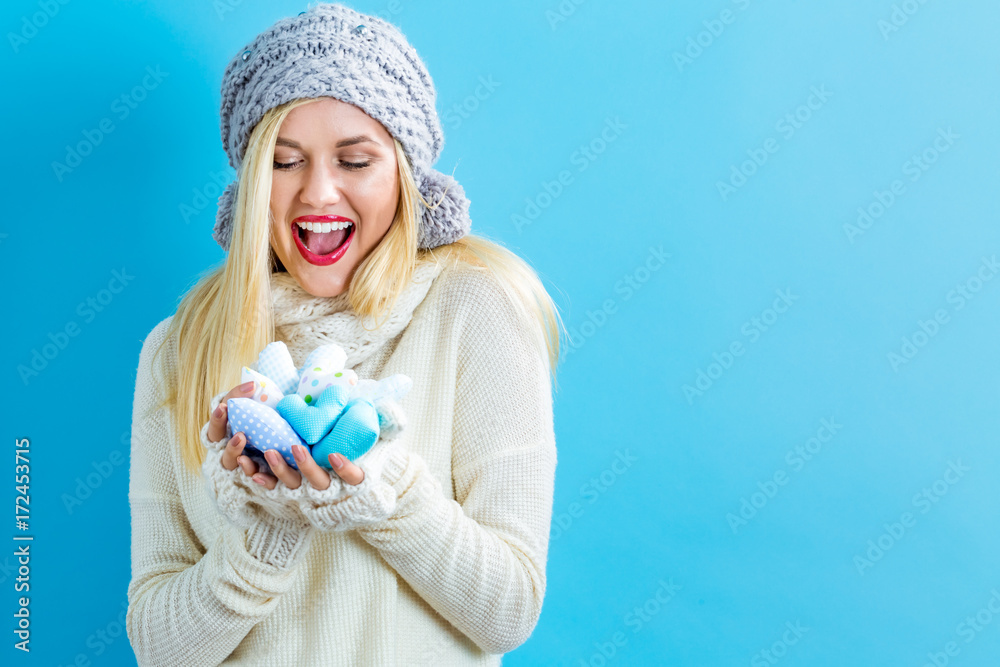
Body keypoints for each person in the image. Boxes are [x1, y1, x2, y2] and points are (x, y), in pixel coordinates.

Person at [125, 4, 564, 665]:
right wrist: (265, 536)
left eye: (355, 161)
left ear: (405, 175)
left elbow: (507, 611)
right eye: (285, 161)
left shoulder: (477, 308)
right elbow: (159, 647)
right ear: (249, 183)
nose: (318, 194)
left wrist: (376, 486)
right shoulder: (178, 347)